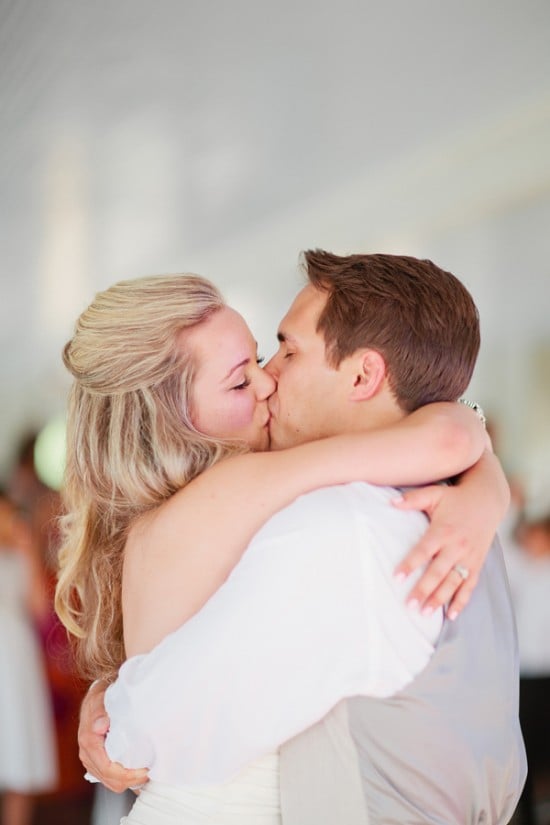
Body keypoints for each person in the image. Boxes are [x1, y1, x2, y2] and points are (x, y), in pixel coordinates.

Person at [62, 254, 521, 822]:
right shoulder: (252, 493)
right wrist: (481, 469)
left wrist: (113, 704)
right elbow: (449, 436)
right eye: (240, 377)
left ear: (361, 376)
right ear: (175, 418)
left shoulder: (330, 517)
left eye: (277, 353)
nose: (267, 378)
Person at [0, 490, 57, 825]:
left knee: (18, 747)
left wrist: (30, 552)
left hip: (17, 658)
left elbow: (40, 609)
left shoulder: (22, 556)